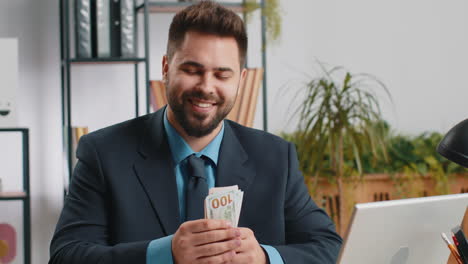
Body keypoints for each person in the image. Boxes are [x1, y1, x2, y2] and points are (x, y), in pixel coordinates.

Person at [49, 1, 342, 263]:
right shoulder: (103, 153)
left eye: (221, 74)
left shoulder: (277, 157)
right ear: (166, 68)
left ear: (240, 79)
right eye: (192, 70)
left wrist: (266, 258)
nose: (206, 86)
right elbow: (67, 254)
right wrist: (164, 255)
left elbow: (328, 247)